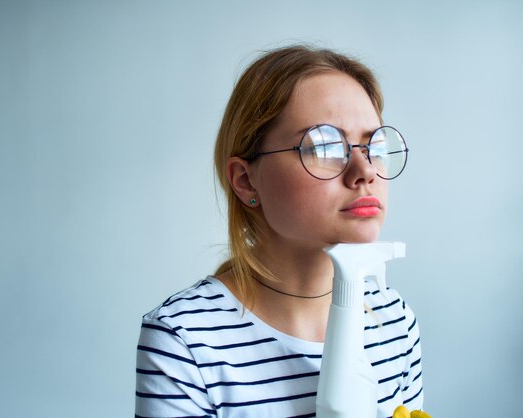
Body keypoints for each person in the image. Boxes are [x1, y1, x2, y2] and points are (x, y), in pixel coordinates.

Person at [135, 44, 423, 418]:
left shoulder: (394, 323)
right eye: (324, 145)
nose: (365, 171)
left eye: (375, 145)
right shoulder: (185, 341)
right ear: (245, 181)